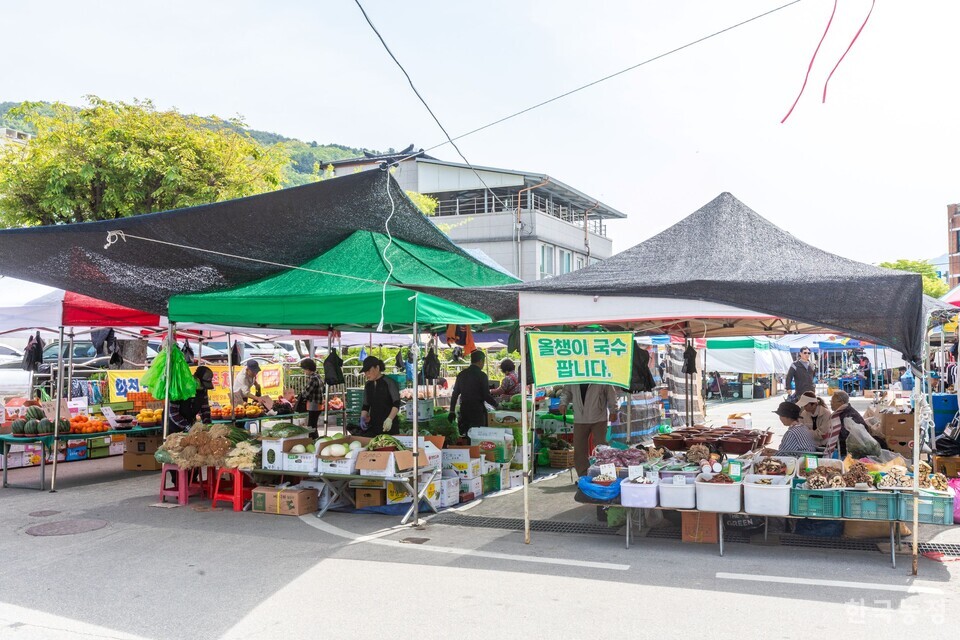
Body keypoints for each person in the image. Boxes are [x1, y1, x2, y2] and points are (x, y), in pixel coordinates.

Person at [559, 383, 619, 476]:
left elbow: (610, 393)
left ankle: (605, 474)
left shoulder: (599, 373)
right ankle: (583, 476)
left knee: (602, 448)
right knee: (579, 449)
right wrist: (563, 403)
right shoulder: (573, 375)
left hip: (599, 418)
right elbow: (566, 391)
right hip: (580, 418)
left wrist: (613, 410)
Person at [449, 350, 498, 431]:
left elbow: (455, 394)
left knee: (466, 434)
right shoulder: (482, 376)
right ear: (480, 361)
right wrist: (496, 405)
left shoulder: (461, 374)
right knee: (479, 434)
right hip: (477, 411)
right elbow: (486, 395)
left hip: (464, 410)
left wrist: (451, 411)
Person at [828, 389, 882, 457]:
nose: (831, 403)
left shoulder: (848, 416)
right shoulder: (842, 412)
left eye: (832, 401)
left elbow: (845, 438)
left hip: (852, 452)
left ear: (841, 402)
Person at [360, 356, 402, 436]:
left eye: (369, 371)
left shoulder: (389, 382)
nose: (366, 374)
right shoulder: (368, 385)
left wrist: (389, 419)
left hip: (389, 426)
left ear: (377, 368)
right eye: (365, 372)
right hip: (373, 426)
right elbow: (366, 405)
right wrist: (362, 418)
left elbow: (396, 403)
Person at [168, 366, 214, 432]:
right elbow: (173, 412)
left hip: (190, 423)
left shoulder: (203, 390)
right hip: (174, 426)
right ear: (197, 380)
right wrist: (189, 428)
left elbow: (205, 409)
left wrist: (208, 425)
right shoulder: (180, 387)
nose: (203, 388)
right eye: (202, 385)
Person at [295, 358, 324, 433]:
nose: (304, 371)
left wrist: (299, 396)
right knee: (313, 425)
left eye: (304, 369)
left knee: (311, 425)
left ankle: (313, 440)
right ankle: (315, 439)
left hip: (314, 405)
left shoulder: (313, 379)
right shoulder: (318, 376)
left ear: (308, 369)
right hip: (319, 404)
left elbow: (306, 393)